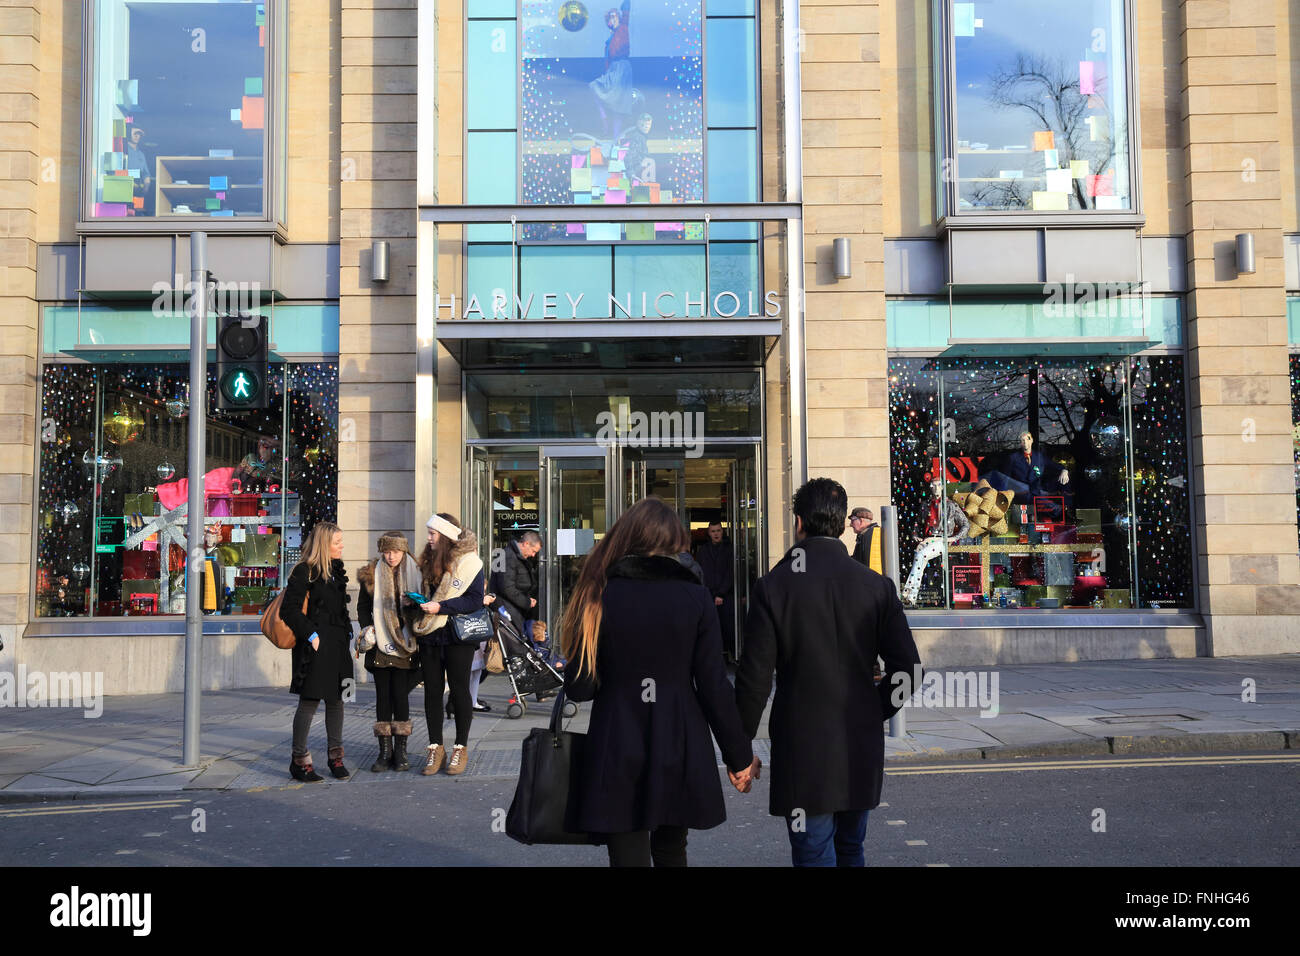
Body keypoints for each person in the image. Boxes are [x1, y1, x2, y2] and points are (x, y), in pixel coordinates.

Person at [561, 497, 757, 867]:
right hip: (678, 739)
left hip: (617, 741)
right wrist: (740, 756)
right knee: (670, 850)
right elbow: (714, 686)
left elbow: (580, 687)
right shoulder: (696, 597)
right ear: (675, 544)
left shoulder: (598, 594)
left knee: (627, 855)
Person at [735, 478, 921, 867]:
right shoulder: (877, 587)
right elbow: (909, 671)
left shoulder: (773, 587)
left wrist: (740, 749)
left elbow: (754, 681)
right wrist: (873, 708)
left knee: (814, 852)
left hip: (803, 747)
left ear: (799, 522)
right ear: (841, 524)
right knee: (852, 849)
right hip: (859, 746)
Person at [279, 521, 354, 781]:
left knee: (339, 700)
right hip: (314, 647)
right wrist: (311, 635)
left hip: (338, 646)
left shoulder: (336, 570)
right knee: (309, 702)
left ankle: (336, 758)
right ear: (324, 544)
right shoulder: (304, 571)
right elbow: (288, 610)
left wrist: (349, 638)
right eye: (337, 542)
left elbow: (340, 611)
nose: (342, 546)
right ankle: (299, 761)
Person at [414, 513, 485, 776]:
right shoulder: (428, 559)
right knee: (432, 691)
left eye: (432, 534)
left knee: (458, 690)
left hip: (456, 636)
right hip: (430, 635)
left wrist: (441, 606)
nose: (429, 538)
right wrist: (415, 601)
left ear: (444, 535)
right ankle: (435, 747)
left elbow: (475, 600)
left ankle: (460, 747)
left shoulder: (470, 562)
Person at [356, 531, 422, 772]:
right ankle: (385, 752)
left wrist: (411, 608)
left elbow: (424, 608)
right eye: (387, 551)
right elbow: (363, 606)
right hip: (380, 647)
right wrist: (368, 626)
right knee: (383, 696)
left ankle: (401, 752)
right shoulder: (371, 574)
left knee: (401, 697)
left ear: (403, 551)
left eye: (395, 551)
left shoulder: (415, 573)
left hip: (405, 644)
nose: (391, 556)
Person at [901, 474, 971, 606]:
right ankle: (911, 597)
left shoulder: (951, 505)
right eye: (933, 486)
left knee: (920, 555)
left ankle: (908, 591)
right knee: (919, 558)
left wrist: (954, 538)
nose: (936, 488)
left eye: (938, 485)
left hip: (942, 540)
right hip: (929, 539)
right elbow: (917, 524)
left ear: (943, 487)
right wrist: (916, 535)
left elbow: (966, 524)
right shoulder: (925, 505)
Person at [978, 431, 1071, 511]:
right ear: (1020, 443)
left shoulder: (1039, 457)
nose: (1025, 442)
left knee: (1064, 481)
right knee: (1036, 497)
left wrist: (1064, 470)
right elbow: (1005, 479)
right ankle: (1058, 510)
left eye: (1028, 439)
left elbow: (1054, 465)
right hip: (1022, 493)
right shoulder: (1013, 458)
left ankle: (1068, 509)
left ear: (1032, 441)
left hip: (1039, 490)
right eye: (1023, 440)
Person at [589, 0, 634, 136]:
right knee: (594, 86)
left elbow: (626, 10)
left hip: (622, 67)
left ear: (619, 18)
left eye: (614, 17)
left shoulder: (623, 28)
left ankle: (616, 138)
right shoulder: (610, 38)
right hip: (613, 69)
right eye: (610, 18)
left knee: (619, 108)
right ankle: (604, 117)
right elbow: (608, 59)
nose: (612, 19)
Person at [693, 520, 735, 660]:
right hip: (708, 595)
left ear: (722, 531)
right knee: (710, 629)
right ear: (708, 533)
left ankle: (730, 655)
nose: (716, 534)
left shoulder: (730, 549)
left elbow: (731, 573)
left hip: (726, 596)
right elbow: (701, 573)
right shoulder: (703, 551)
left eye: (718, 531)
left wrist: (721, 593)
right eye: (713, 531)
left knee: (727, 629)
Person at [125, 126, 153, 215]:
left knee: (138, 214)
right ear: (128, 134)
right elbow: (116, 172)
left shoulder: (141, 154)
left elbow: (146, 174)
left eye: (139, 134)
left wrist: (146, 186)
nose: (137, 136)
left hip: (139, 192)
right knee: (126, 213)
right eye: (135, 134)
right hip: (124, 189)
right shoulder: (123, 151)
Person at [850, 507, 884, 573]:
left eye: (852, 520)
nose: (851, 524)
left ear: (861, 521)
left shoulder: (871, 535)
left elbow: (870, 565)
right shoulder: (866, 534)